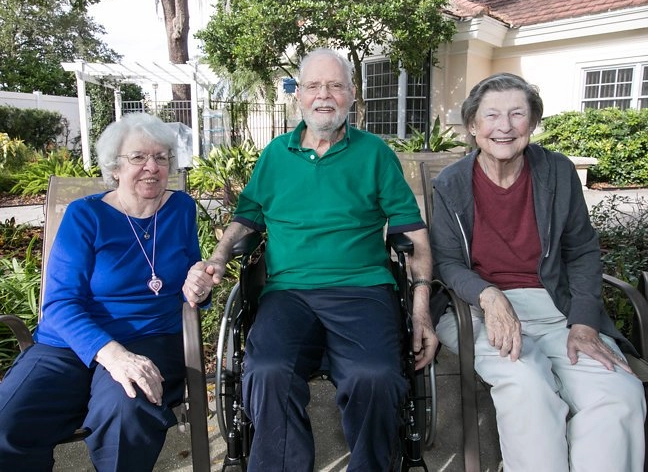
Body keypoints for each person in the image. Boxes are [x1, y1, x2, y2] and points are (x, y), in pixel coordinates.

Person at [183, 47, 437, 471]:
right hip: (288, 293)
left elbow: (415, 234)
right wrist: (218, 257)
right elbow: (246, 220)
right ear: (298, 94)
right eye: (314, 85)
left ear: (352, 95)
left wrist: (422, 305)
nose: (325, 95)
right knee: (266, 371)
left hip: (363, 289)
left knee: (374, 377)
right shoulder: (275, 155)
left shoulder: (375, 154)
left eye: (335, 85)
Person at [430, 73, 646, 471]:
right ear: (474, 126)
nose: (505, 126)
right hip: (480, 311)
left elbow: (581, 251)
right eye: (492, 115)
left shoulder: (557, 172)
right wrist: (489, 295)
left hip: (557, 309)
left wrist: (583, 322)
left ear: (532, 123)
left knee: (619, 395)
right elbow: (448, 263)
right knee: (528, 386)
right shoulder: (451, 183)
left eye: (517, 114)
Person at [0, 113, 203, 471]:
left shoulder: (180, 209)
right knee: (10, 418)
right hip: (67, 344)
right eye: (138, 157)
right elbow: (60, 304)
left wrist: (198, 285)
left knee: (124, 412)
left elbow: (192, 279)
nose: (152, 167)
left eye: (161, 157)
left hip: (149, 336)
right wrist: (112, 354)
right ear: (115, 167)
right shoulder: (85, 215)